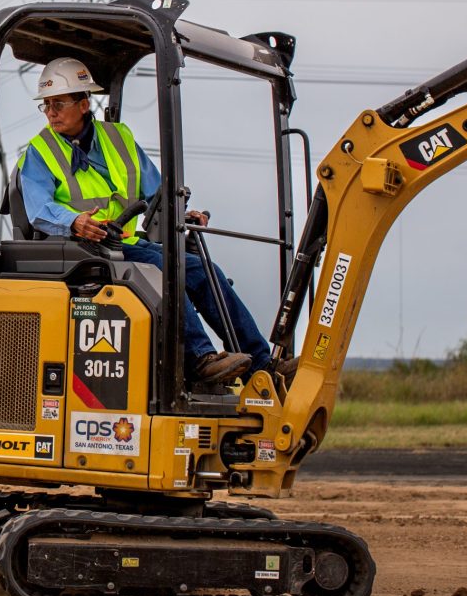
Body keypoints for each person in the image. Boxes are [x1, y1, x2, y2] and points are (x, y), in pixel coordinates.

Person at [18, 56, 296, 383]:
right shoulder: (40, 152)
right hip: (78, 251)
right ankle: (200, 358)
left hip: (124, 244)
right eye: (46, 105)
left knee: (202, 269)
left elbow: (155, 190)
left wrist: (181, 213)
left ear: (83, 103)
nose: (50, 112)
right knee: (165, 269)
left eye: (58, 103)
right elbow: (38, 209)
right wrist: (75, 221)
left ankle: (261, 365)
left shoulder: (118, 139)